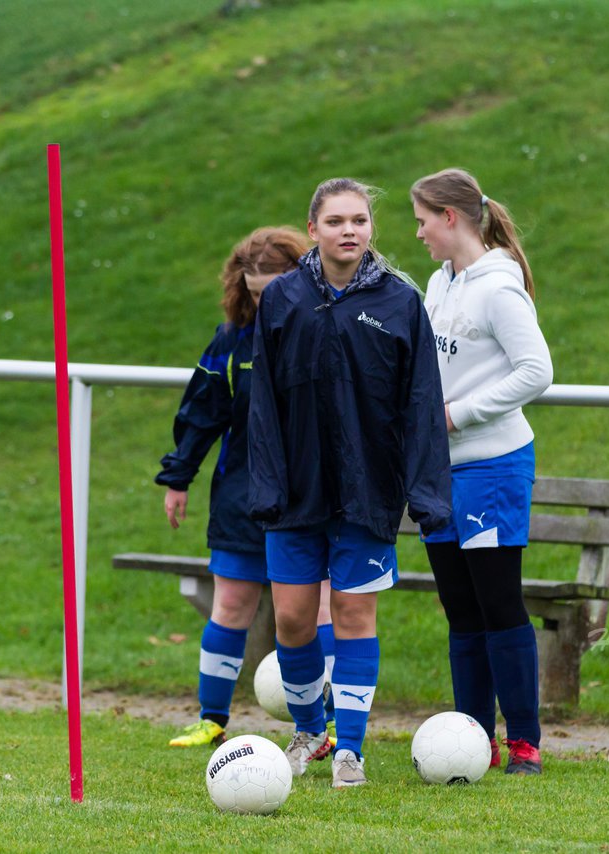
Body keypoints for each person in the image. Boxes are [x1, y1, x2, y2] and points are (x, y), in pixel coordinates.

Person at [248, 178, 453, 787]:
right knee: (291, 619)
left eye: (359, 220)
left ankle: (350, 748)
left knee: (355, 612)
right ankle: (310, 729)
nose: (349, 231)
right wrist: (266, 483)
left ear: (371, 229)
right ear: (312, 229)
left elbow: (422, 403)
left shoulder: (398, 301)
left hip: (368, 491)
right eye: (335, 220)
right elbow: (262, 402)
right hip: (296, 490)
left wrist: (427, 492)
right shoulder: (283, 298)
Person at [156, 226, 336, 748]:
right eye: (255, 292)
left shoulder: (327, 329)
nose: (265, 302)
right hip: (242, 491)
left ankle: (323, 721)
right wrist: (178, 478)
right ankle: (212, 717)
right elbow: (202, 410)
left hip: (308, 492)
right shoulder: (233, 338)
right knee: (230, 602)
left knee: (314, 607)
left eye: (274, 289)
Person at [410, 167, 554, 775]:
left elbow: (536, 371)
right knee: (461, 610)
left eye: (422, 221)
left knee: (499, 607)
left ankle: (523, 740)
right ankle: (474, 739)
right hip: (441, 474)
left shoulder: (498, 287)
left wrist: (457, 415)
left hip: (492, 468)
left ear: (450, 218)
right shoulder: (438, 284)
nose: (417, 233)